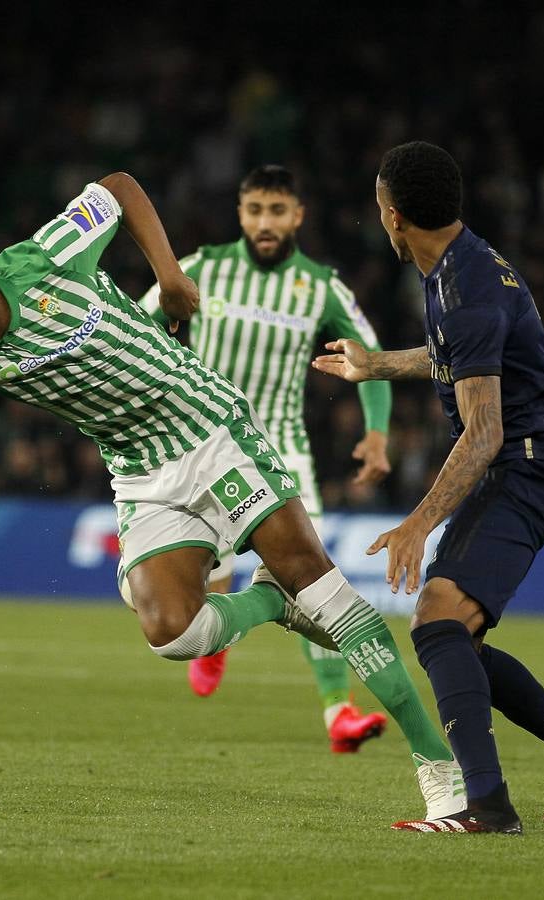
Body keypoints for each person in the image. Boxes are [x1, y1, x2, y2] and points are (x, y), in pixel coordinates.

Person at [0, 171, 465, 820]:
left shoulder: (44, 257)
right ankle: (271, 603)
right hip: (139, 471)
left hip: (208, 427)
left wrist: (167, 276)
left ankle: (436, 767)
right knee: (173, 633)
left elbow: (121, 186)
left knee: (323, 588)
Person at [313, 141, 544, 834]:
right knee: (455, 635)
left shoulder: (462, 290)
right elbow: (454, 355)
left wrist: (416, 522)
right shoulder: (458, 267)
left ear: (393, 217)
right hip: (525, 465)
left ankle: (487, 807)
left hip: (524, 468)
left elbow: (484, 431)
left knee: (436, 623)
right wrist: (376, 365)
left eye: (379, 210)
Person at [139, 164, 391, 753]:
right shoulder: (202, 268)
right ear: (240, 213)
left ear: (298, 215)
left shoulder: (321, 287)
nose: (265, 222)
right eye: (255, 210)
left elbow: (371, 354)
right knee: (208, 566)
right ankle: (216, 632)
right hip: (201, 443)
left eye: (277, 211)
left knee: (314, 578)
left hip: (282, 448)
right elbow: (136, 327)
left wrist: (376, 434)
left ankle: (340, 713)